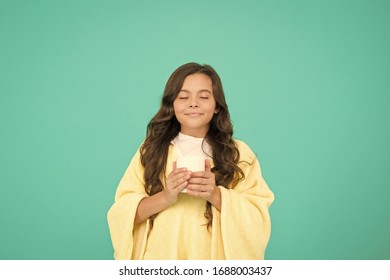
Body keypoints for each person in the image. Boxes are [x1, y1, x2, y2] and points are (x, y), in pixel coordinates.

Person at [107, 62, 274, 260]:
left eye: (203, 97)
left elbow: (257, 218)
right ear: (172, 105)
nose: (193, 103)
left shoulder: (238, 154)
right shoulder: (152, 150)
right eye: (183, 97)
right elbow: (123, 216)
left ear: (217, 107)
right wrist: (166, 196)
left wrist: (216, 195)